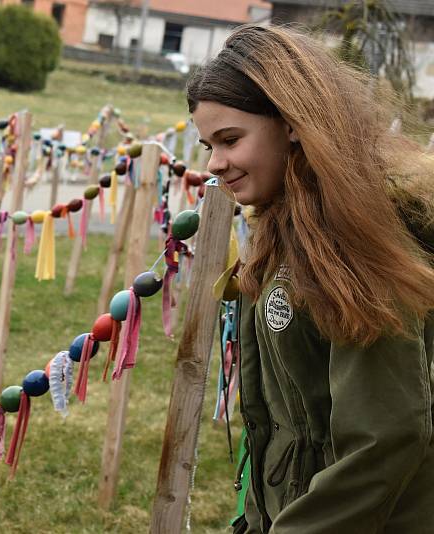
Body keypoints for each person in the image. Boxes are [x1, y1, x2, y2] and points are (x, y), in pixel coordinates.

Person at [187, 25, 434, 533]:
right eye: (208, 145)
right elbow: (288, 429)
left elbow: (383, 439)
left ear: (294, 123)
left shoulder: (355, 241)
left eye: (230, 140)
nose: (215, 163)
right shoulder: (289, 227)